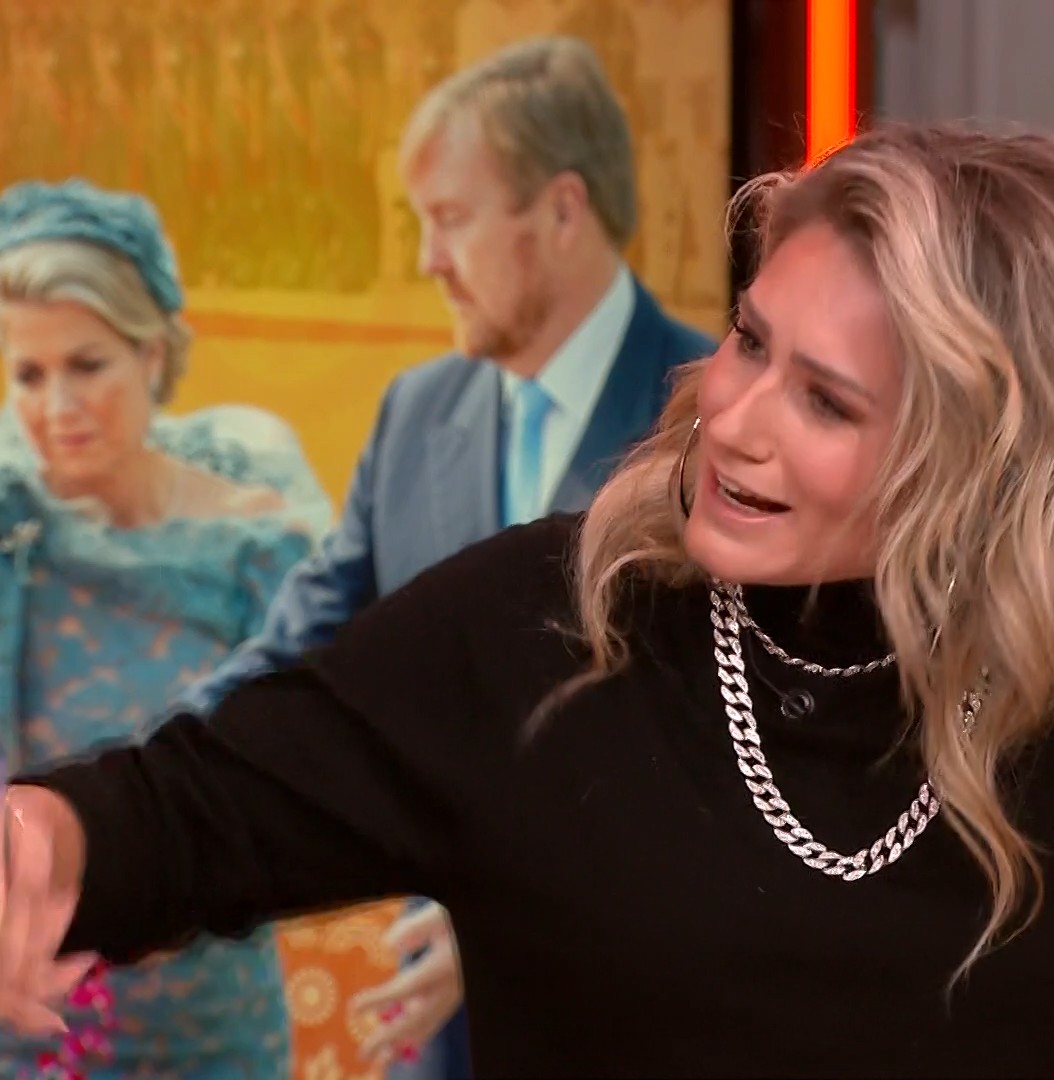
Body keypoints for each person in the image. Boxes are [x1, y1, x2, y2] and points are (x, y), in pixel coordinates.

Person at [0, 124, 1054, 1079]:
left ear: (983, 464)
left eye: (828, 403)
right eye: (751, 343)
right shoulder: (537, 632)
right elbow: (190, 817)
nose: (731, 420)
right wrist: (38, 837)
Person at [170, 34, 714, 1078]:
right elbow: (302, 661)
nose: (426, 259)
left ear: (562, 212)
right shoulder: (415, 416)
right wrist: (115, 807)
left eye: (451, 219)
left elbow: (731, 774)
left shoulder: (716, 422)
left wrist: (515, 918)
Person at [0, 178, 333, 1079]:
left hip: (219, 1053)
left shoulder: (259, 548)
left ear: (153, 353)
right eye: (29, 374)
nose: (58, 405)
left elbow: (326, 808)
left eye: (87, 365)